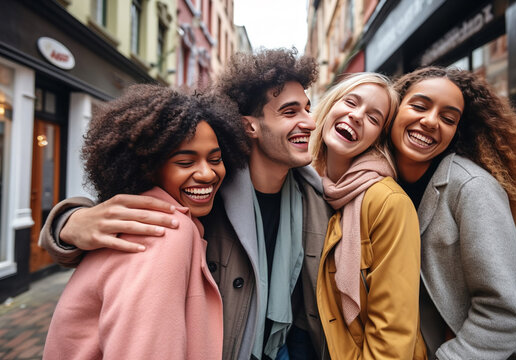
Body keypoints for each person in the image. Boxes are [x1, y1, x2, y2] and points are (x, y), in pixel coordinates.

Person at [40, 49, 333, 359]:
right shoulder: (196, 200)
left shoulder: (316, 197)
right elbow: (123, 213)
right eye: (290, 112)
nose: (310, 122)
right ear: (249, 126)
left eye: (307, 109)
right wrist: (69, 221)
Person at [43, 84, 251, 359]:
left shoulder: (150, 215)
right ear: (149, 168)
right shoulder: (163, 230)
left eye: (215, 159)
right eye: (185, 162)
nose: (207, 174)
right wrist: (67, 222)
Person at [391, 66, 516, 360]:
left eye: (448, 119)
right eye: (419, 106)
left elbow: (502, 311)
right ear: (393, 109)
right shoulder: (381, 179)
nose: (431, 121)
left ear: (457, 131)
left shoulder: (472, 187)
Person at [310, 72, 427, 359]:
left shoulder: (388, 202)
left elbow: (392, 332)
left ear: (378, 138)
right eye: (351, 102)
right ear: (331, 104)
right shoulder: (305, 184)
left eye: (374, 118)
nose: (357, 116)